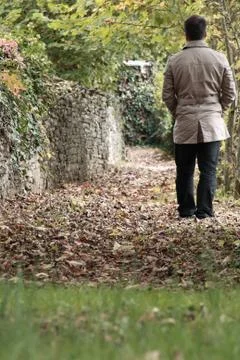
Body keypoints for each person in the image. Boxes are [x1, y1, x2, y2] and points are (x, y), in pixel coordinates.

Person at [162, 15, 236, 219]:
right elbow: (230, 93)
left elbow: (167, 95)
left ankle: (186, 210)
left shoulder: (174, 60)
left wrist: (178, 111)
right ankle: (204, 211)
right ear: (205, 33)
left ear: (186, 34)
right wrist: (217, 109)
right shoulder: (219, 58)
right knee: (209, 170)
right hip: (212, 122)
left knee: (184, 170)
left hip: (185, 120)